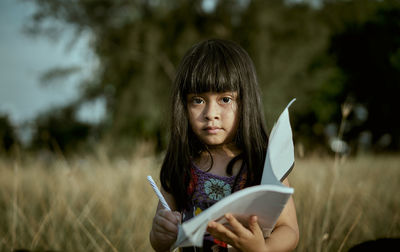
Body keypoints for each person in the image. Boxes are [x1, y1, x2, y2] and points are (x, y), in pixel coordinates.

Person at [149, 39, 299, 252]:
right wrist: (161, 234)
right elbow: (160, 242)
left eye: (225, 99)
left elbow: (289, 230)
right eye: (198, 100)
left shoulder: (264, 163)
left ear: (246, 102)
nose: (211, 113)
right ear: (182, 105)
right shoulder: (181, 165)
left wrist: (262, 249)